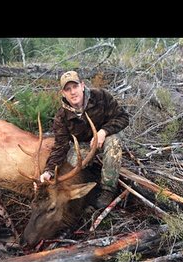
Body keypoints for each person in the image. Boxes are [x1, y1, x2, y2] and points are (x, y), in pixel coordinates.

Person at [40, 70, 129, 208]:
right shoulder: (62, 116)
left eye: (75, 87)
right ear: (63, 93)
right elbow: (60, 146)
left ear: (82, 85)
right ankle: (90, 181)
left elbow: (123, 117)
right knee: (72, 164)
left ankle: (108, 189)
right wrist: (49, 170)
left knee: (114, 142)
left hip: (106, 138)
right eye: (67, 89)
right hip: (84, 145)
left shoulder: (101, 97)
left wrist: (103, 132)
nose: (72, 92)